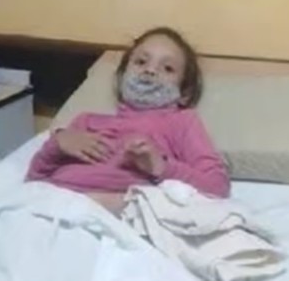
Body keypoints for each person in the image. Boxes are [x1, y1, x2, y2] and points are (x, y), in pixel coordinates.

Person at [26, 27, 230, 215]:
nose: (150, 70)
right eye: (141, 62)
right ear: (122, 75)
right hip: (53, 204)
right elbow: (34, 179)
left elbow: (217, 187)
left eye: (168, 68)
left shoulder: (182, 122)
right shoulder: (86, 121)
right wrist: (57, 144)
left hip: (111, 212)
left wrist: (160, 166)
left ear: (185, 93)